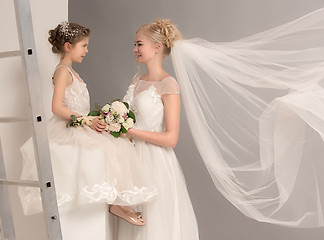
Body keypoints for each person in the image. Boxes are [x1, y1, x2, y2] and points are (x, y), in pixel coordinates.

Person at [18, 21, 158, 236]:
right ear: (67, 46)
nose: (86, 50)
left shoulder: (72, 72)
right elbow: (56, 108)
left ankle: (115, 203)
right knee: (109, 150)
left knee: (115, 148)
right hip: (67, 129)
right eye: (83, 46)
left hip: (80, 126)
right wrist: (85, 121)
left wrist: (96, 121)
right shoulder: (63, 71)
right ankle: (115, 204)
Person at [93, 19, 200, 239]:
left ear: (157, 47)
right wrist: (111, 124)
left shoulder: (168, 84)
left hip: (156, 164)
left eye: (139, 44)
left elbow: (171, 138)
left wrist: (127, 131)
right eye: (135, 44)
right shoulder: (137, 81)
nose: (135, 49)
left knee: (155, 228)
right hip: (131, 161)